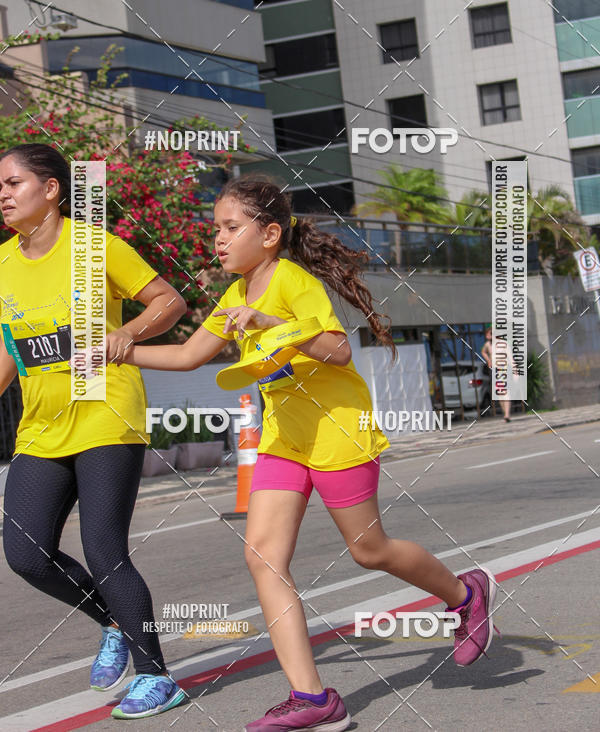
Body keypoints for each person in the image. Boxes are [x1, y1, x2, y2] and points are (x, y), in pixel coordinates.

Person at [123, 177, 498, 732]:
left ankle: (465, 593)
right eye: (216, 230)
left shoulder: (294, 284)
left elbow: (339, 351)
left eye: (231, 228)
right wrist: (119, 351)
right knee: (263, 557)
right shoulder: (233, 294)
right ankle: (313, 698)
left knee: (369, 550)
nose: (218, 241)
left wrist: (276, 325)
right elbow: (185, 355)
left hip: (336, 430)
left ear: (269, 233)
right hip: (284, 438)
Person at [0, 143, 188, 719]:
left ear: (51, 189)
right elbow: (8, 352)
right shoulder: (3, 263)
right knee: (25, 553)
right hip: (41, 424)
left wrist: (126, 333)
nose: (3, 195)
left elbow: (170, 302)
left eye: (12, 183)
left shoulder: (94, 245)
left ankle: (157, 675)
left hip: (106, 410)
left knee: (105, 549)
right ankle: (111, 620)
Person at [482, 325, 511, 421]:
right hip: (494, 370)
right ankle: (505, 413)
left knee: (505, 392)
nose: (488, 336)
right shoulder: (488, 345)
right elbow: (483, 352)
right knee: (500, 394)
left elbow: (511, 358)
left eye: (490, 334)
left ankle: (507, 414)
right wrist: (488, 360)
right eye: (487, 334)